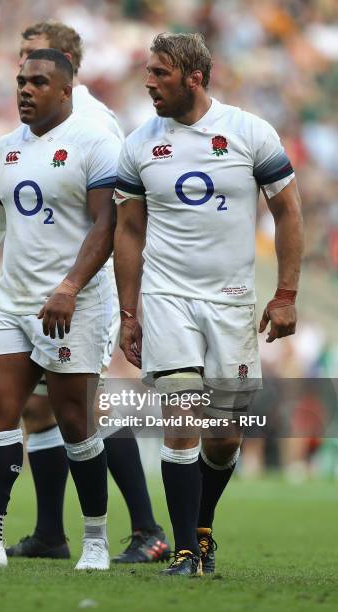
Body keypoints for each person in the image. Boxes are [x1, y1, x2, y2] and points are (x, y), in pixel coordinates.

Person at [0, 48, 120, 570]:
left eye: (37, 82)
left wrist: (71, 286)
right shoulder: (7, 149)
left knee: (76, 421)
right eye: (20, 82)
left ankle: (96, 540)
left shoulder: (94, 144)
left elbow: (106, 226)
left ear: (65, 91)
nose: (25, 90)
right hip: (14, 301)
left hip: (74, 302)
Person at [114, 32, 303, 576]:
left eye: (160, 73)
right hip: (167, 297)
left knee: (222, 438)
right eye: (147, 71)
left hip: (231, 302)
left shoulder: (248, 132)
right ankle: (183, 551)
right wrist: (130, 312)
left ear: (194, 77)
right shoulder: (140, 143)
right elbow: (128, 230)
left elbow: (288, 212)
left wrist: (285, 294)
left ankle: (202, 527)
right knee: (181, 417)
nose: (149, 82)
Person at [6, 20, 169, 564]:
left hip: (84, 289)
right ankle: (51, 533)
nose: (26, 73)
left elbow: (118, 212)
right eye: (24, 61)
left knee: (84, 407)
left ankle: (147, 528)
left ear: (67, 64)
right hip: (40, 288)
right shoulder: (33, 126)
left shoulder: (93, 121)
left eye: (37, 60)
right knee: (38, 408)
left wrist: (96, 287)